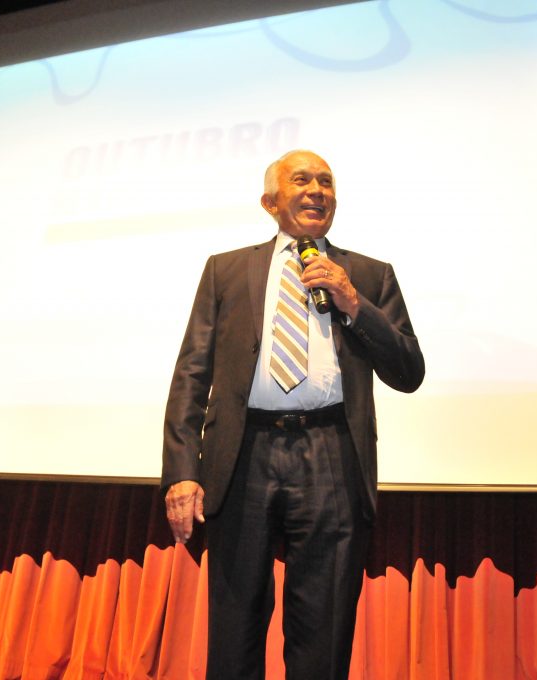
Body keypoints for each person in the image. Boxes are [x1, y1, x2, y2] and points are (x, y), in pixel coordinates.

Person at [161, 150, 424, 679]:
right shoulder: (225, 269)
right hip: (244, 454)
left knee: (323, 630)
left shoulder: (368, 275)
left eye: (326, 182)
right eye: (301, 180)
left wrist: (353, 302)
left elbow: (408, 371)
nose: (317, 191)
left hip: (332, 455)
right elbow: (192, 370)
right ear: (270, 202)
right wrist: (183, 471)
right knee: (234, 626)